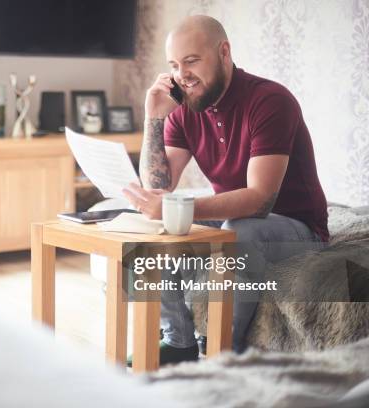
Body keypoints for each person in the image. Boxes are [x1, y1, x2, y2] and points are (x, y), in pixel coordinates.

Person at [122, 15, 328, 366]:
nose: (181, 75)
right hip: (234, 215)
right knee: (153, 231)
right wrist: (153, 117)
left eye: (191, 61)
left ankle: (221, 354)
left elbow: (260, 198)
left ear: (224, 52)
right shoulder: (184, 108)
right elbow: (158, 186)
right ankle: (178, 341)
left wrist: (182, 208)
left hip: (296, 227)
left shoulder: (270, 101)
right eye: (174, 65)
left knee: (240, 231)